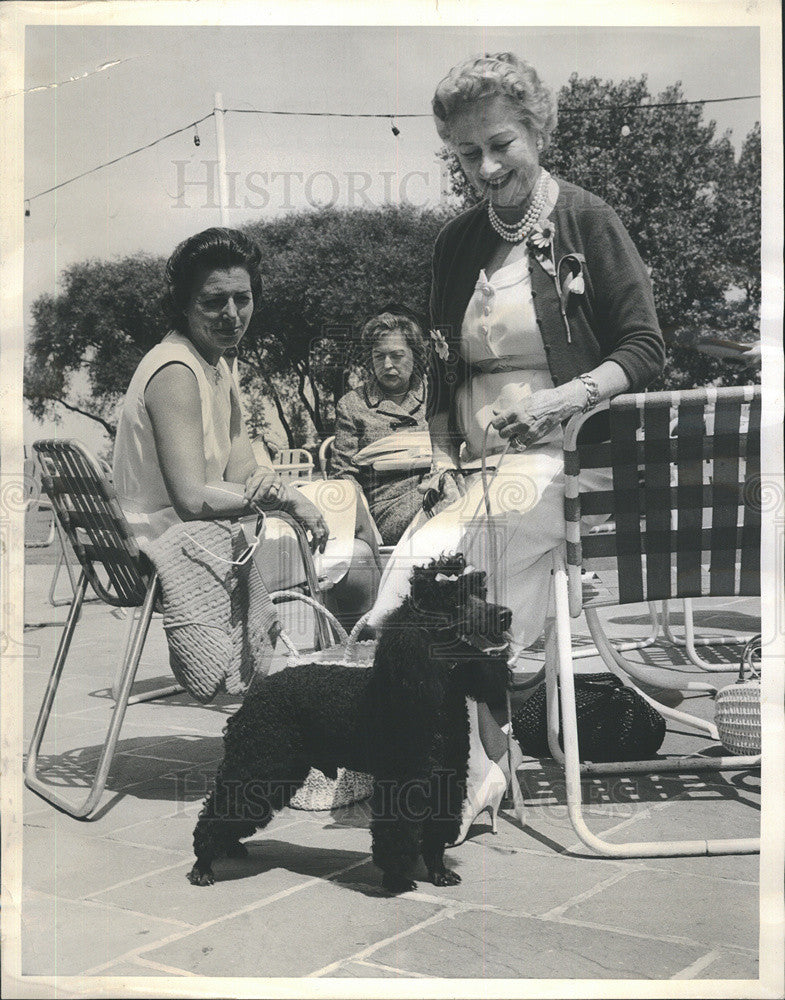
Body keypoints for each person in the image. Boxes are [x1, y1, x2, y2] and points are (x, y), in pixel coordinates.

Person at [367, 53, 665, 841]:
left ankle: (459, 767)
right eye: (467, 154)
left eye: (501, 144)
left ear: (537, 130)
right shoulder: (453, 245)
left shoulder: (587, 221)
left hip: (572, 465)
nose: (486, 166)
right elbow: (440, 377)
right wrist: (438, 457)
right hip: (482, 480)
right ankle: (475, 763)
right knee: (469, 580)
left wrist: (565, 398)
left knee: (446, 573)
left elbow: (644, 347)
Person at [113, 227, 380, 629]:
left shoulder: (217, 363)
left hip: (200, 538)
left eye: (243, 298)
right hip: (171, 554)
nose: (232, 314)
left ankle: (351, 668)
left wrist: (269, 484)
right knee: (356, 556)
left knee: (348, 496)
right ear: (183, 305)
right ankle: (360, 673)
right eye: (214, 301)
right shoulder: (175, 371)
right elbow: (191, 498)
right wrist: (287, 498)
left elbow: (242, 472)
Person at [331, 307, 431, 545]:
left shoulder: (436, 397)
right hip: (386, 509)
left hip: (438, 488)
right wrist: (363, 522)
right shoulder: (352, 405)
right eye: (379, 356)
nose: (387, 365)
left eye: (397, 356)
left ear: (414, 355)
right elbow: (344, 475)